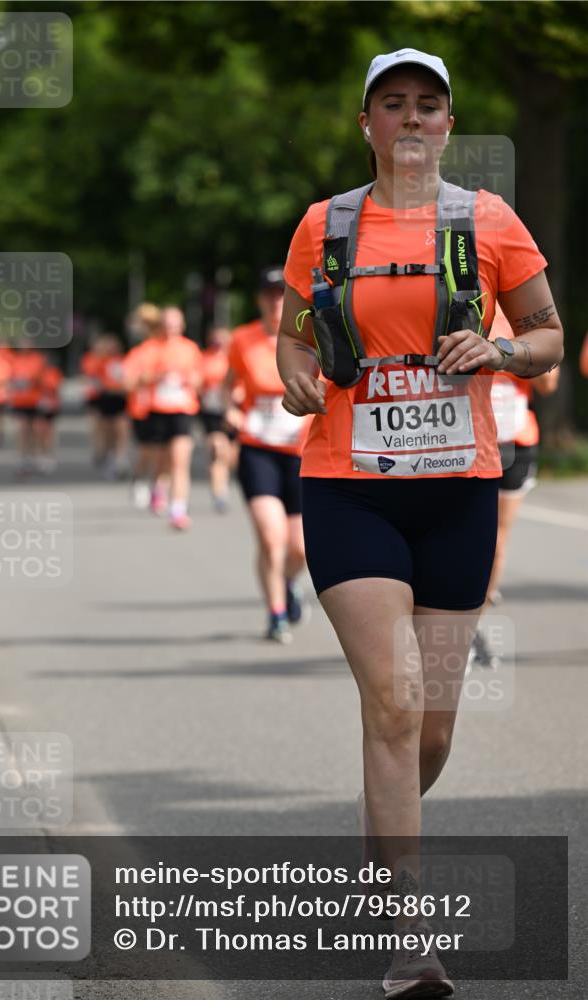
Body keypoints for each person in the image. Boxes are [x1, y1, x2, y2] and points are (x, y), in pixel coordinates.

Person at [278, 48, 563, 997]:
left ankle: (375, 859)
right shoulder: (326, 225)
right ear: (365, 123)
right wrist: (292, 372)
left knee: (430, 732)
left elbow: (547, 334)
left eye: (426, 106)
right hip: (349, 484)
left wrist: (503, 346)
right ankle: (408, 936)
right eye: (390, 104)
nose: (409, 119)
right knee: (394, 704)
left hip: (458, 491)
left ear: (448, 123)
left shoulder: (488, 221)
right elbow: (290, 331)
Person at [468, 304, 559, 668]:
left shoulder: (529, 317)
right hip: (467, 440)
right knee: (461, 535)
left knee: (495, 540)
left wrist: (506, 351)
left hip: (514, 440)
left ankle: (474, 626)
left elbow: (548, 383)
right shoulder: (465, 302)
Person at [226, 267, 311, 644]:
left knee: (301, 548)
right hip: (257, 448)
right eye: (269, 294)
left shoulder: (311, 336)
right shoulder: (242, 339)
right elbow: (227, 388)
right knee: (270, 536)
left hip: (301, 450)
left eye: (282, 293)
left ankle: (289, 582)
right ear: (259, 298)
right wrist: (227, 413)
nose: (276, 300)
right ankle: (276, 613)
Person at [123, 305, 202, 530]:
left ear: (182, 326)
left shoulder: (190, 349)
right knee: (160, 459)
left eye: (175, 325)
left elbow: (199, 379)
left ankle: (178, 510)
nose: (171, 329)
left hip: (183, 409)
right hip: (156, 410)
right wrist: (156, 376)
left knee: (180, 460)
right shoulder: (148, 349)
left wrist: (188, 378)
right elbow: (129, 382)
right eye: (167, 325)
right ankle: (157, 487)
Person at [199, 325, 238, 512]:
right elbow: (196, 383)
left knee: (231, 455)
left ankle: (223, 482)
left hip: (234, 411)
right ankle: (219, 493)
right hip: (212, 411)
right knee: (217, 449)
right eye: (216, 339)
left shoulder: (236, 359)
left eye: (223, 339)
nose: (219, 343)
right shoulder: (204, 359)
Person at [81, 333, 129, 479]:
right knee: (106, 429)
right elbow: (93, 377)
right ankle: (107, 453)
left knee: (121, 428)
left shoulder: (124, 360)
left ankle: (121, 457)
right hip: (105, 397)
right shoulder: (101, 360)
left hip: (120, 397)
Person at [7, 341, 47, 475]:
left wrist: (31, 382)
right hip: (20, 400)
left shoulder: (37, 359)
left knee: (36, 430)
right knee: (22, 429)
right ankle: (23, 457)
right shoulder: (14, 359)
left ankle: (37, 455)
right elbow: (9, 377)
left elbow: (42, 378)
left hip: (35, 399)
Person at [35, 358, 65, 474]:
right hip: (38, 403)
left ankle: (49, 454)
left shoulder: (54, 372)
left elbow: (55, 387)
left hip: (51, 405)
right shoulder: (37, 373)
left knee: (48, 431)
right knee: (39, 430)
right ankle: (40, 454)